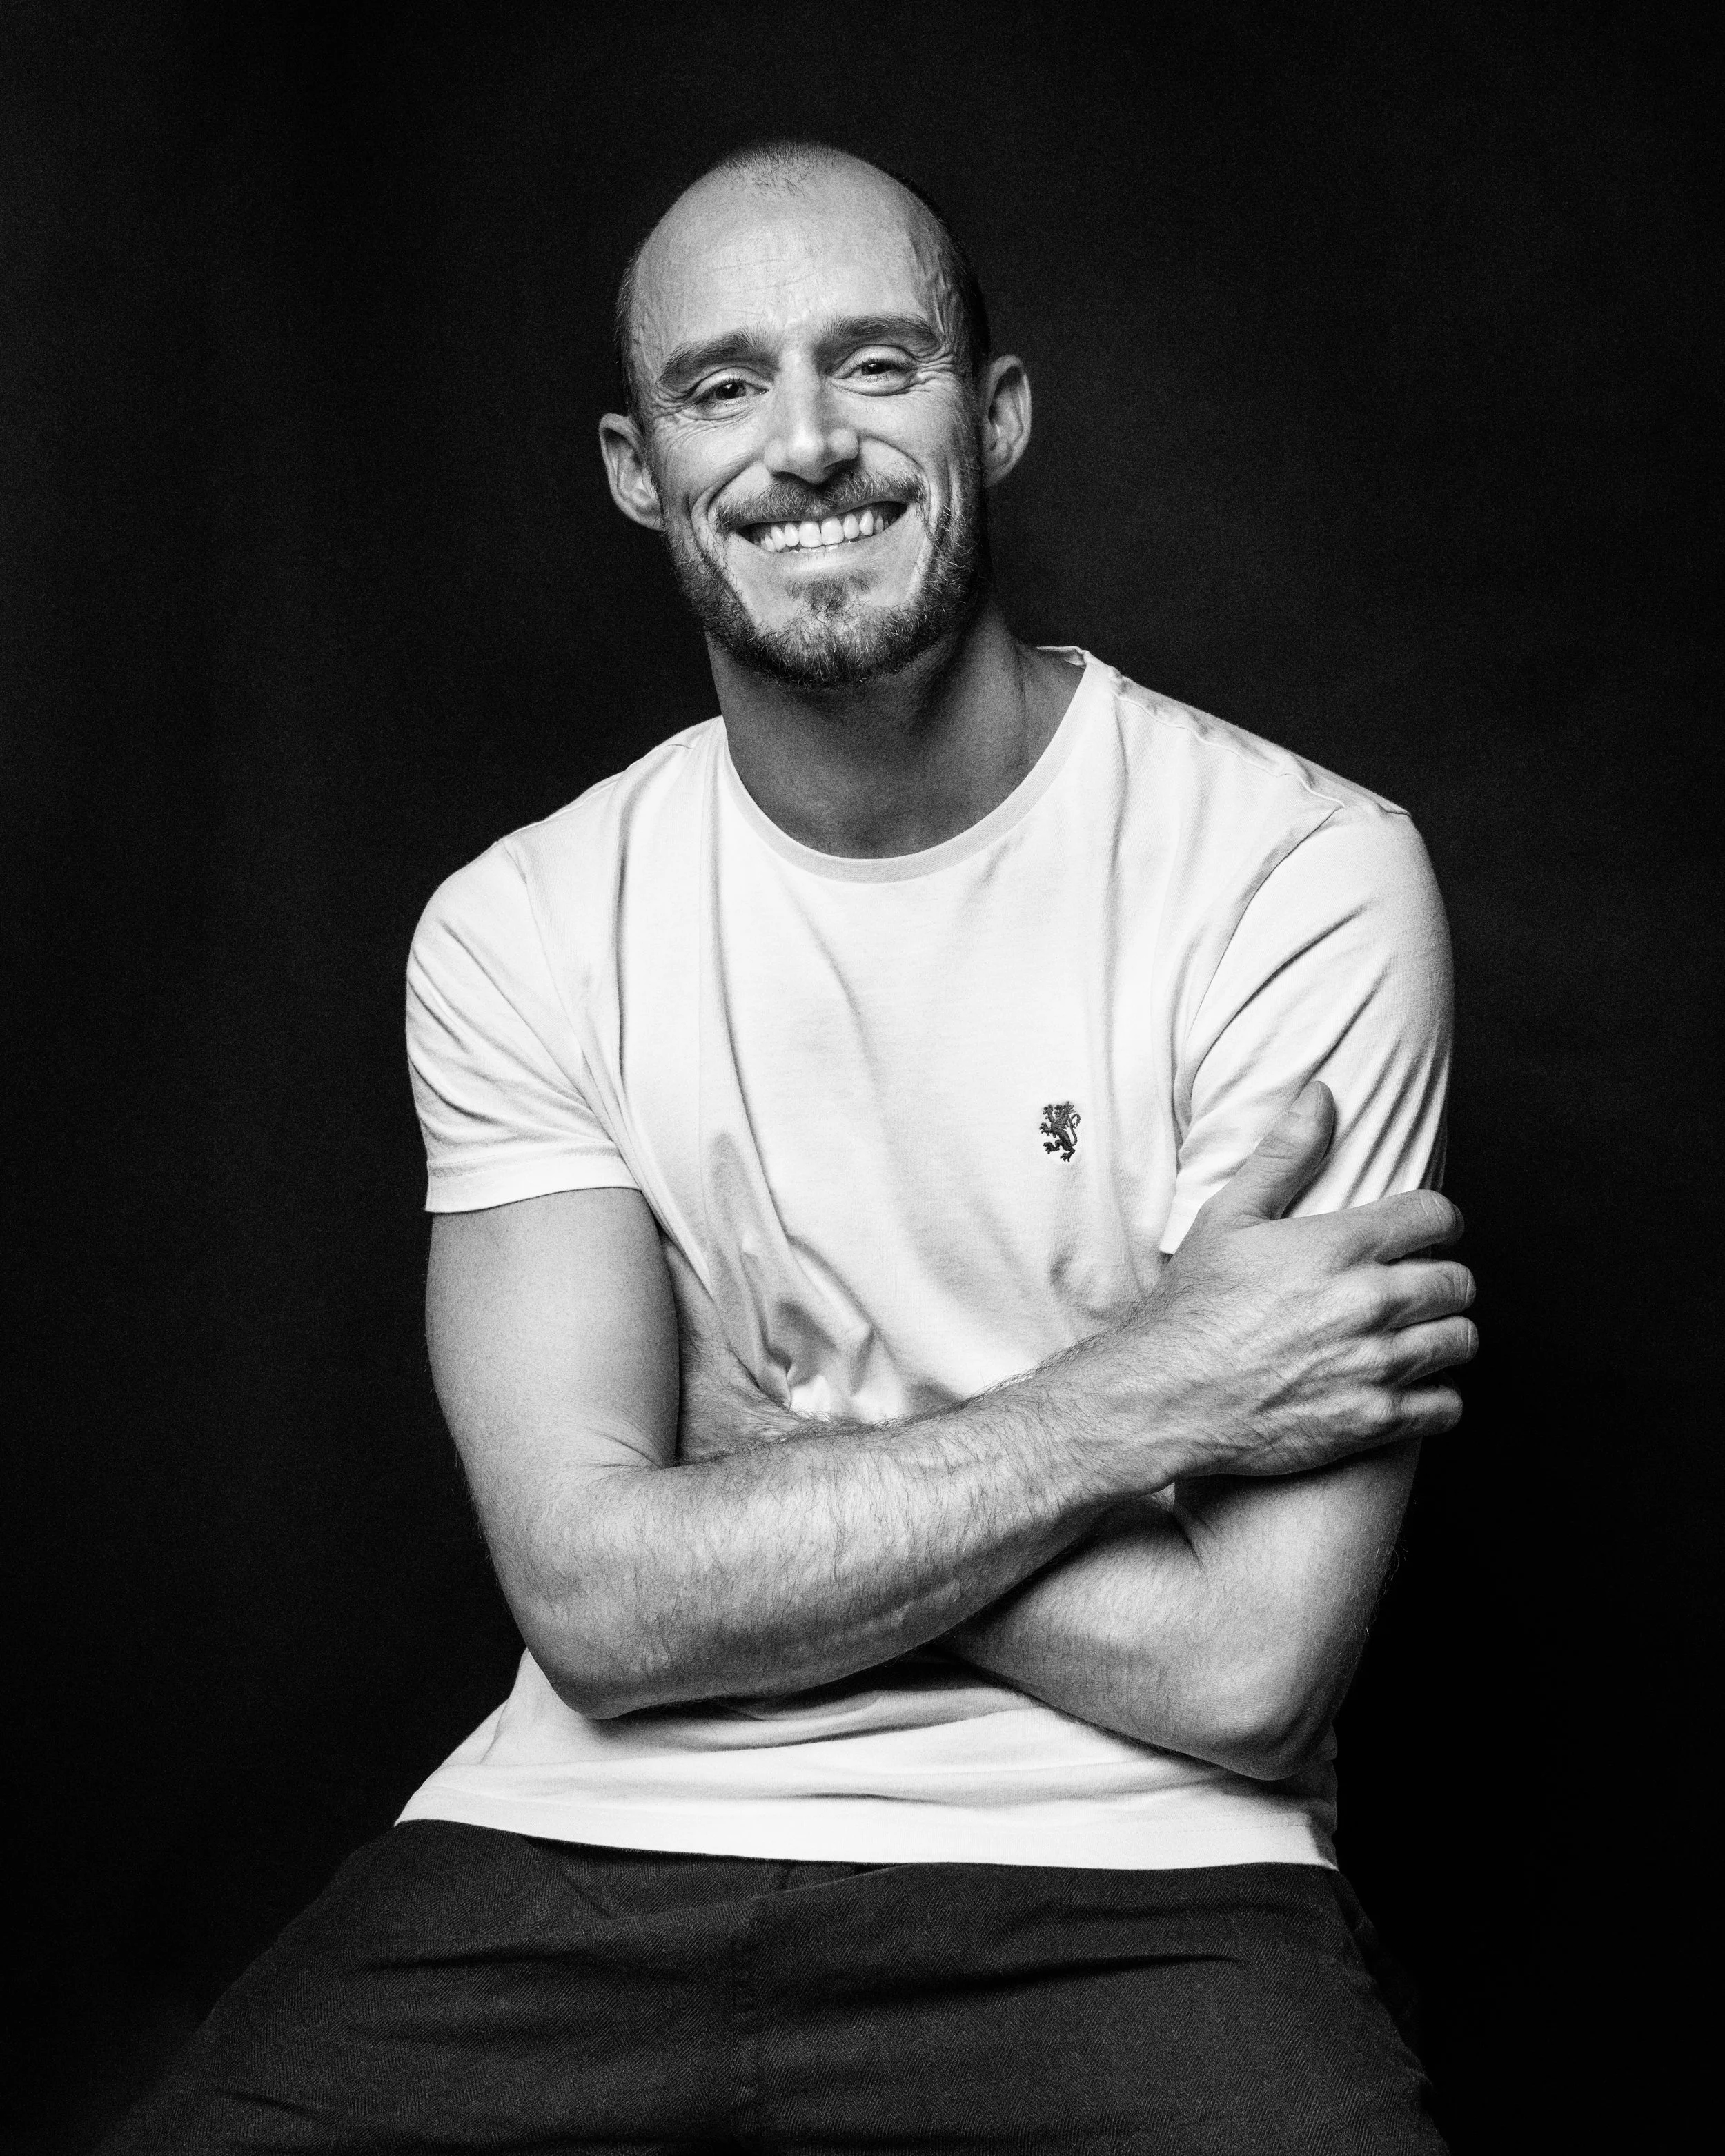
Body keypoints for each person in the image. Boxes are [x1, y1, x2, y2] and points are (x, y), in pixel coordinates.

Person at [109, 141, 1477, 2153]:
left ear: (992, 420)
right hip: (575, 1835)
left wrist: (756, 1470)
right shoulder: (525, 923)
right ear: (635, 467)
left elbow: (1241, 1668)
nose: (808, 444)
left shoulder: (1295, 877)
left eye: (879, 363)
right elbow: (598, 1605)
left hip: (1141, 1883)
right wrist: (1149, 1397)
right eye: (724, 386)